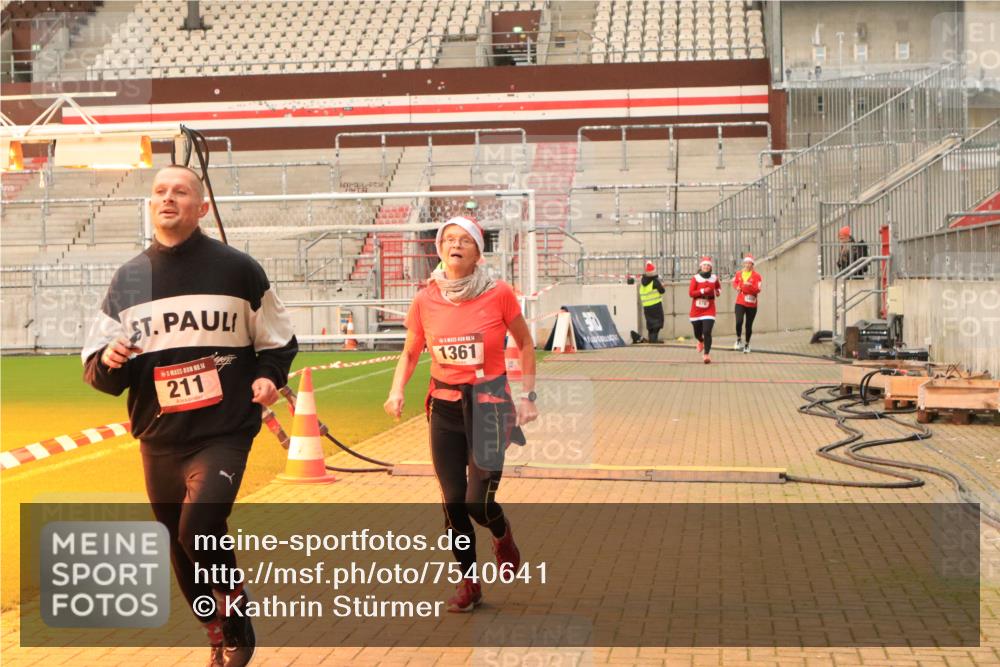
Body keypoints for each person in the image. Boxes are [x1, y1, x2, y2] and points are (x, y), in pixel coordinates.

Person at [82, 165, 298, 667]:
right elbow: (98, 370)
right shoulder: (128, 279)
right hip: (160, 436)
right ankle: (215, 628)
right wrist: (110, 361)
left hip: (224, 429)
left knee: (197, 524)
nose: (167, 198)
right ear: (150, 204)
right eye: (159, 191)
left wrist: (269, 376)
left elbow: (280, 341)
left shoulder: (239, 269)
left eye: (180, 191)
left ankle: (236, 612)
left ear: (202, 207)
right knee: (179, 548)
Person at [383, 215, 539, 613]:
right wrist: (397, 390)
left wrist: (529, 395)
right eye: (448, 239)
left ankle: (501, 535)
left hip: (489, 406)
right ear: (439, 249)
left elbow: (524, 343)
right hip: (445, 408)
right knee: (452, 502)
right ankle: (469, 583)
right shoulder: (425, 299)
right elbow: (410, 351)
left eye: (464, 240)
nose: (455, 245)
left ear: (477, 253)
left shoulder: (499, 293)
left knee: (477, 503)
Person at [689, 256, 722, 364]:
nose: (706, 267)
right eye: (704, 265)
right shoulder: (696, 278)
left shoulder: (714, 278)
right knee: (697, 333)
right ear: (701, 266)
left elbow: (718, 287)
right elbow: (691, 293)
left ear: (710, 267)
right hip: (696, 309)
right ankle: (700, 341)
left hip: (709, 308)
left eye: (708, 265)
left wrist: (718, 292)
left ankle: (706, 354)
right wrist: (703, 291)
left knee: (707, 331)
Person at [732, 254, 762, 354]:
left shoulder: (757, 276)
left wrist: (747, 287)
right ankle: (738, 338)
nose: (748, 265)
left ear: (752, 265)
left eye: (750, 263)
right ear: (744, 264)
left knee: (748, 325)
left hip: (751, 304)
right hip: (740, 301)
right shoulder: (739, 274)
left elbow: (757, 289)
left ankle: (747, 344)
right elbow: (735, 283)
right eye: (746, 263)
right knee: (739, 321)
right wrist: (737, 287)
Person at [639, 261, 666, 344]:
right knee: (657, 323)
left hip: (646, 306)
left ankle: (652, 339)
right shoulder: (655, 281)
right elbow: (662, 291)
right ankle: (654, 340)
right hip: (655, 305)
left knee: (650, 323)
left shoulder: (643, 281)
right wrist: (662, 286)